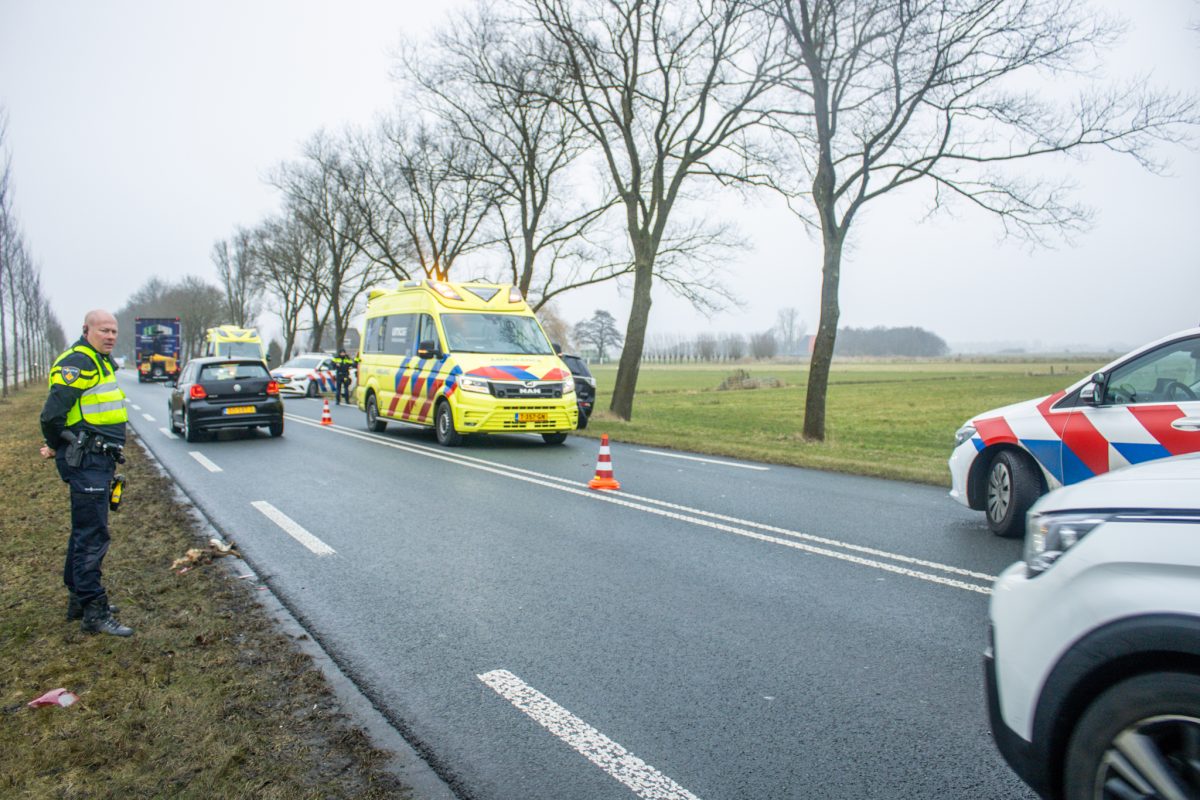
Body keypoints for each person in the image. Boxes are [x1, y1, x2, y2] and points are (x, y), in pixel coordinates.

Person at [39, 309, 134, 637]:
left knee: (85, 530)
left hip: (97, 460)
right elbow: (52, 414)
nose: (110, 336)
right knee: (93, 535)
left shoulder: (98, 360)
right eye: (103, 330)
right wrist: (54, 444)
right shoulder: (79, 361)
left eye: (113, 331)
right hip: (87, 460)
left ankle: (79, 599)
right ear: (86, 330)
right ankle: (94, 610)